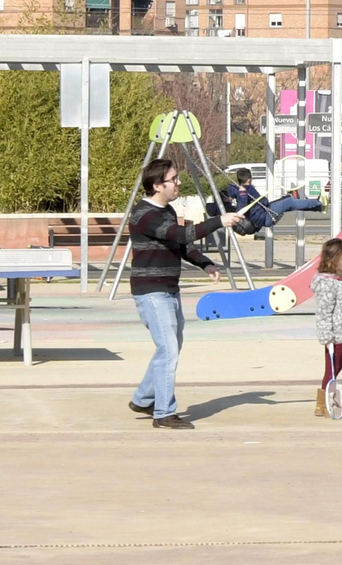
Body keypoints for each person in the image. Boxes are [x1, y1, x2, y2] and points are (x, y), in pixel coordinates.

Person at [127, 159, 245, 429]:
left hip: (169, 289)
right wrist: (218, 221)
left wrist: (205, 263)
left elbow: (180, 244)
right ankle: (163, 413)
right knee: (168, 350)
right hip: (151, 291)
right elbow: (181, 233)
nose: (179, 182)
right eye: (174, 179)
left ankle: (144, 398)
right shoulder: (144, 214)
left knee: (169, 348)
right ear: (157, 185)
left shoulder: (166, 210)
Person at [311, 237, 342, 419]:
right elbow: (324, 313)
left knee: (337, 365)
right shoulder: (327, 284)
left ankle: (321, 404)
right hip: (332, 332)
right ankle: (327, 404)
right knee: (333, 368)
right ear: (333, 260)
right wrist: (327, 337)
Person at [223, 168, 323, 232]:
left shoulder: (236, 188)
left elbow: (231, 188)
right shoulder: (246, 190)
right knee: (290, 202)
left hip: (264, 214)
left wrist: (230, 197)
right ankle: (318, 202)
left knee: (289, 204)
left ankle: (318, 207)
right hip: (266, 217)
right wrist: (242, 194)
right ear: (249, 179)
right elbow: (243, 206)